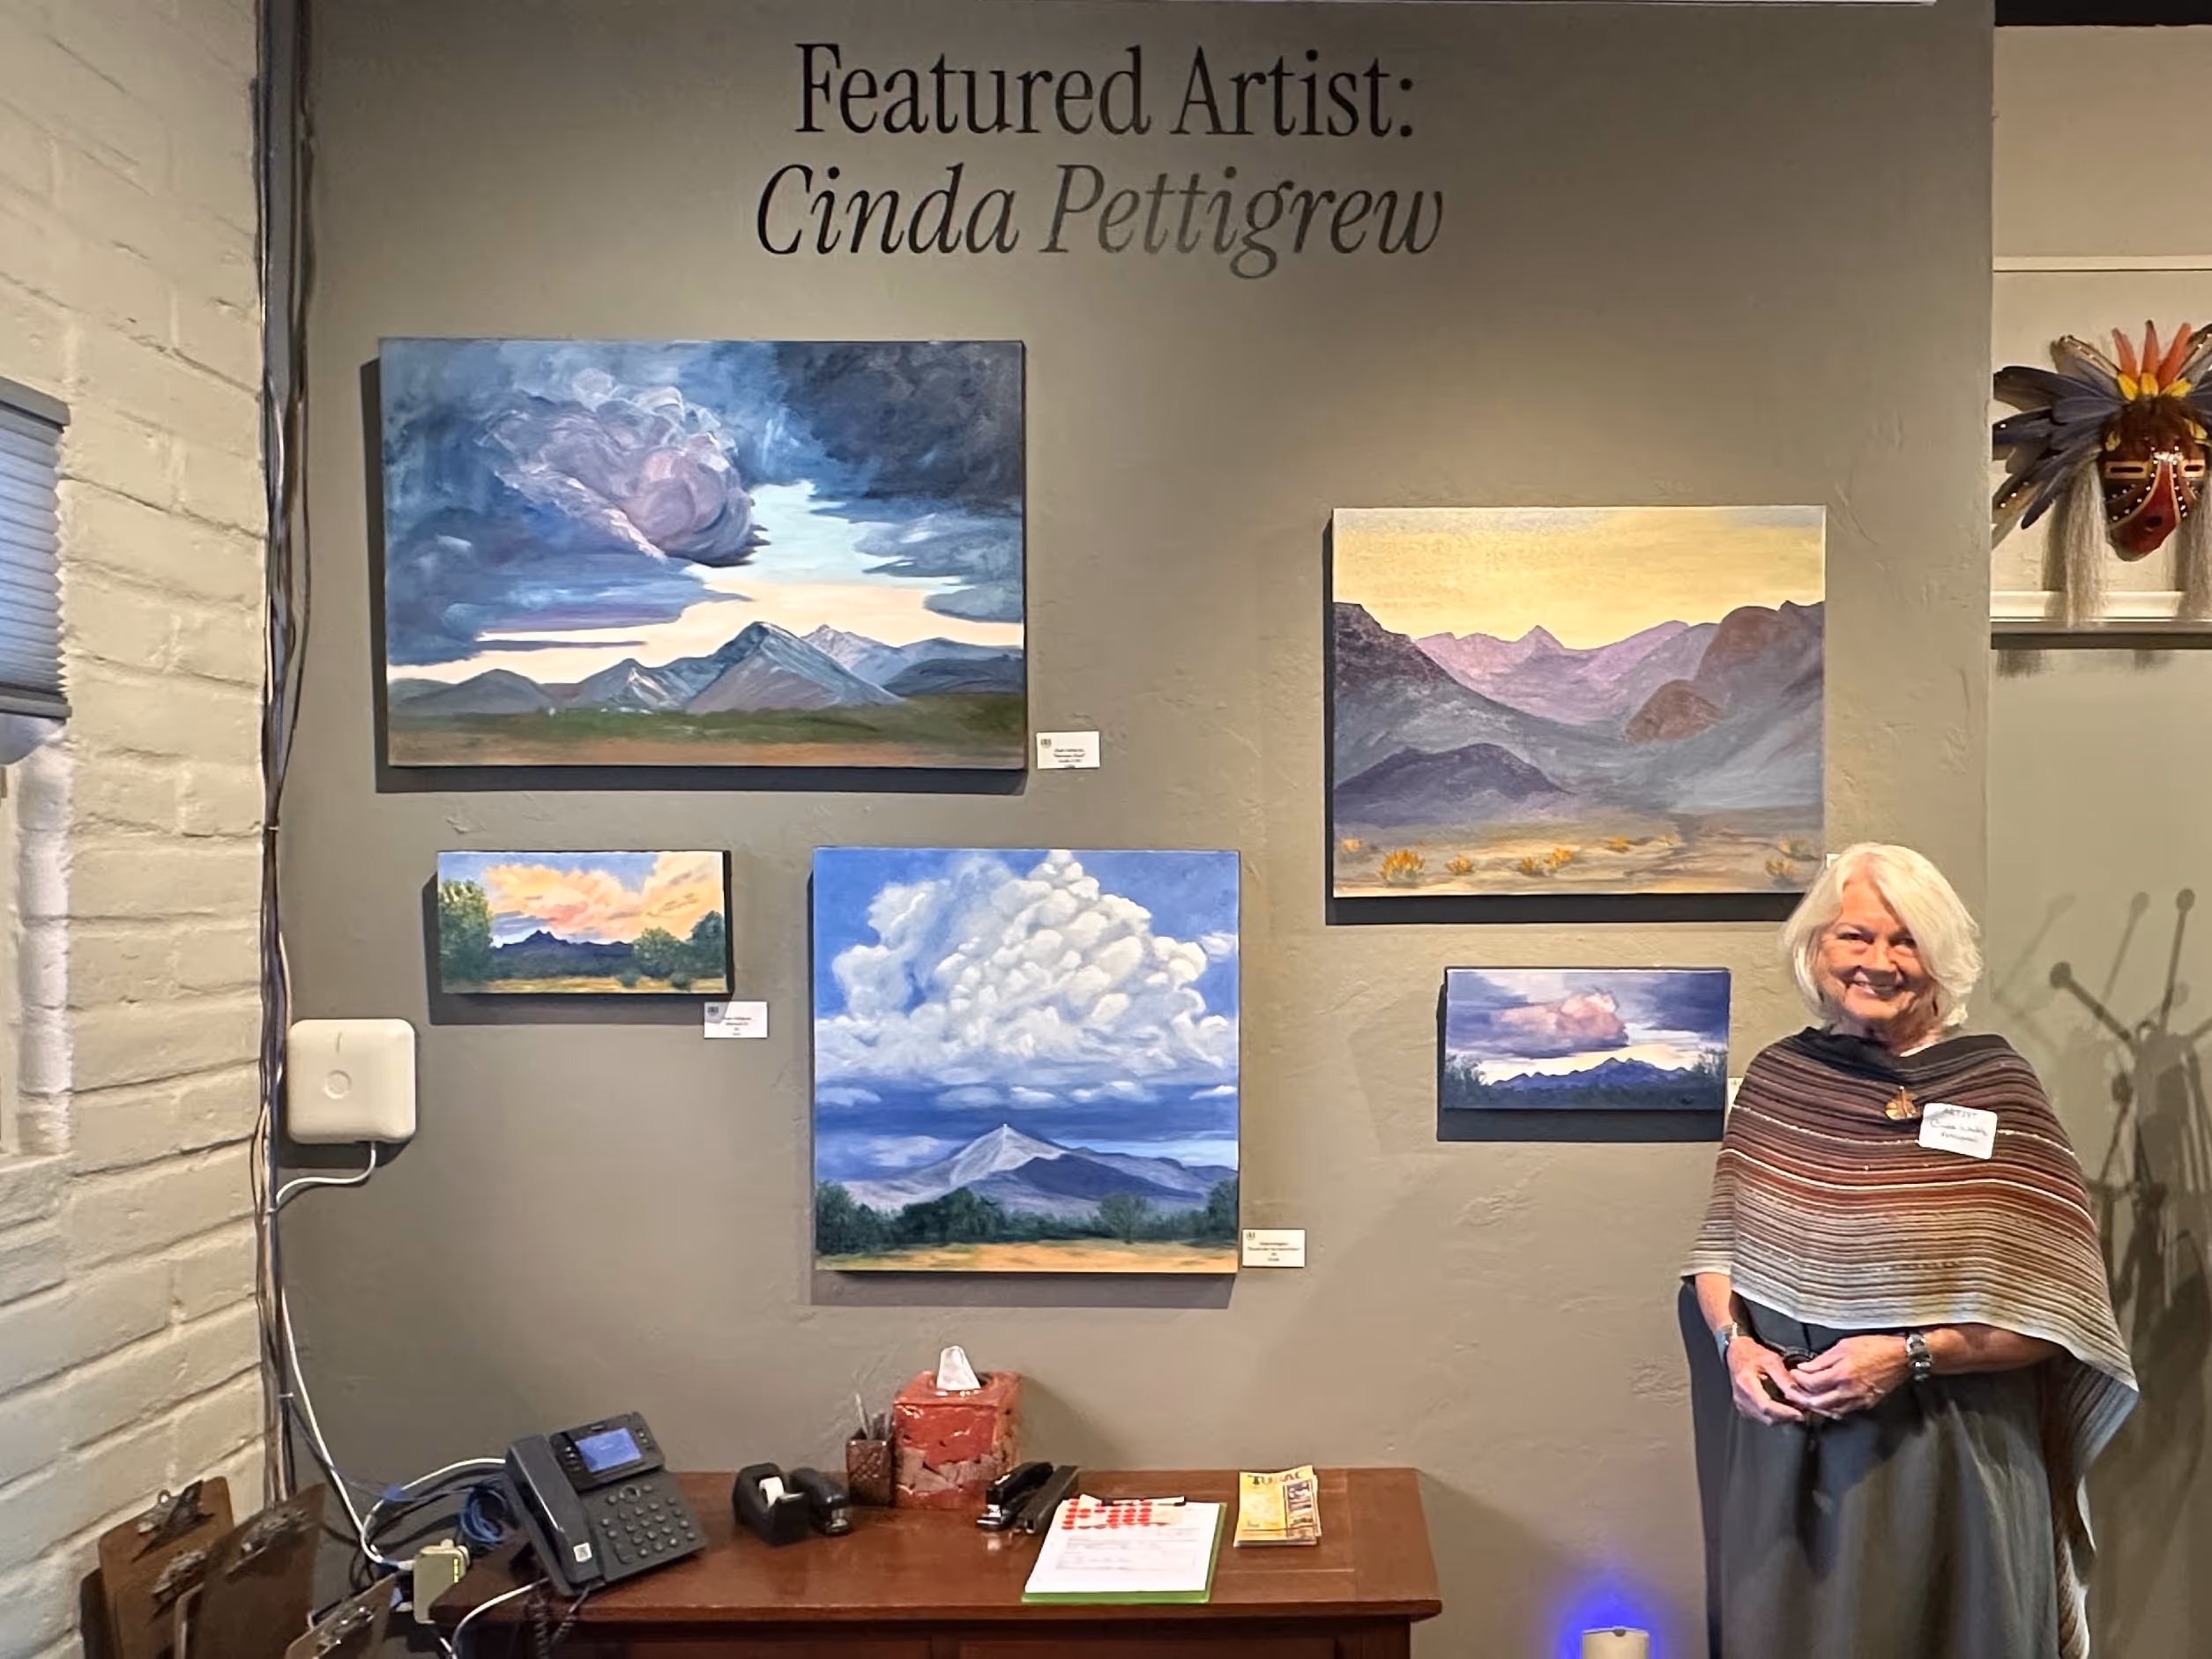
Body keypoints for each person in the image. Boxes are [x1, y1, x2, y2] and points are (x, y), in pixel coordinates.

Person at [1687, 843, 2136, 1659]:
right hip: (1793, 1451)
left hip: (1950, 1454)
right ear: (1814, 948)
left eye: (1906, 942)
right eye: (1853, 937)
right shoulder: (1779, 1081)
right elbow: (1720, 1250)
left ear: (1942, 959)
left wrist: (1909, 1356)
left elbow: (2064, 1319)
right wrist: (1733, 1347)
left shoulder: (1999, 1090)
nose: (1878, 963)